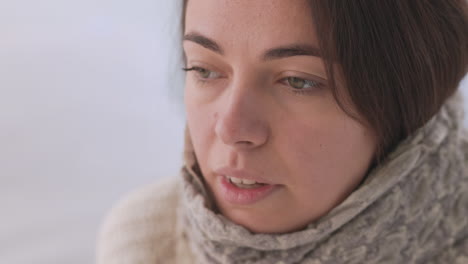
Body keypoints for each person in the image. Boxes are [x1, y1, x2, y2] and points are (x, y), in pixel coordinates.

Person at [97, 0, 468, 263]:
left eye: (297, 81)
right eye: (205, 70)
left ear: (409, 97)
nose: (231, 129)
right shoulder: (143, 241)